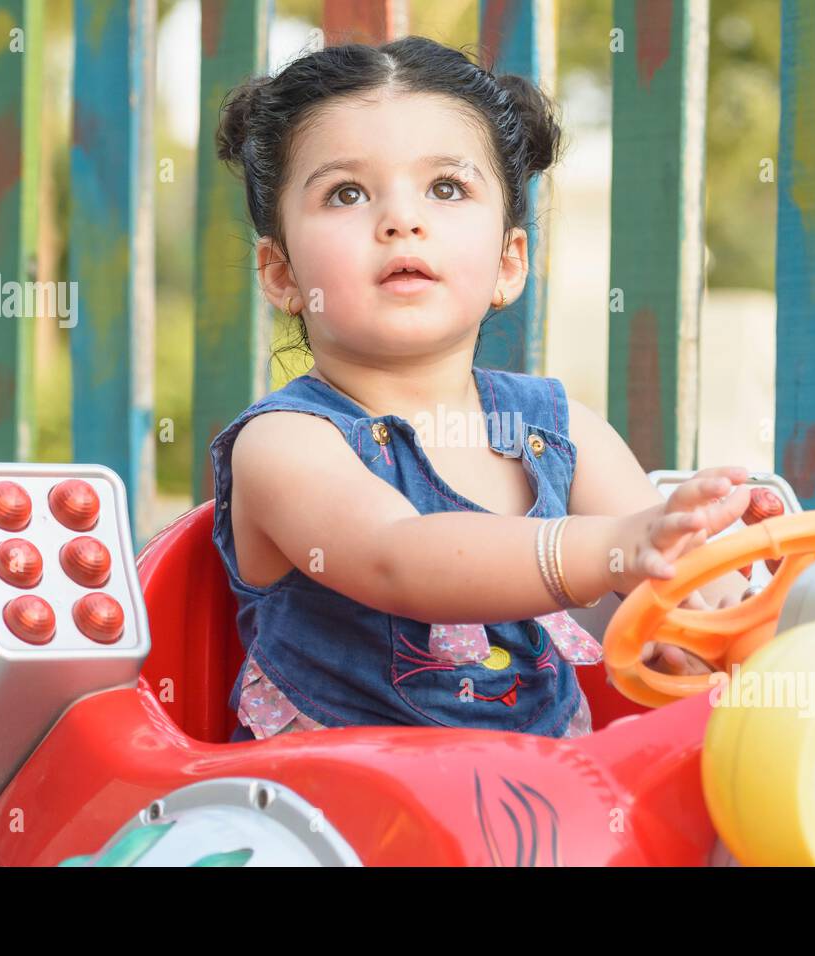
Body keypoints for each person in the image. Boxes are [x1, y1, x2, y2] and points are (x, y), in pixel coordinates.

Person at [209, 36, 750, 742]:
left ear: (509, 262)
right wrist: (612, 546)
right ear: (281, 274)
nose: (402, 220)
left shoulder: (559, 430)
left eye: (446, 188)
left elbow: (674, 576)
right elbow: (397, 557)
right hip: (345, 821)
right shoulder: (286, 443)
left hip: (551, 810)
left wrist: (722, 607)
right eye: (347, 193)